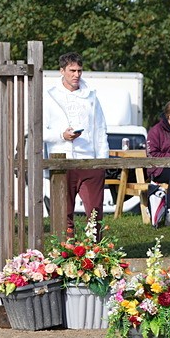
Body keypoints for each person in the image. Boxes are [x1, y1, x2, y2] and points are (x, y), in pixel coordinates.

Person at [42, 52, 109, 237]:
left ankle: (96, 253)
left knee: (95, 213)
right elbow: (37, 131)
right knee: (64, 213)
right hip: (61, 162)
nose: (76, 74)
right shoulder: (49, 97)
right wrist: (61, 135)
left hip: (89, 161)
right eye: (72, 70)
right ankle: (66, 253)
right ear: (62, 71)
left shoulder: (91, 97)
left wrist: (102, 162)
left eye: (79, 70)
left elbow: (100, 130)